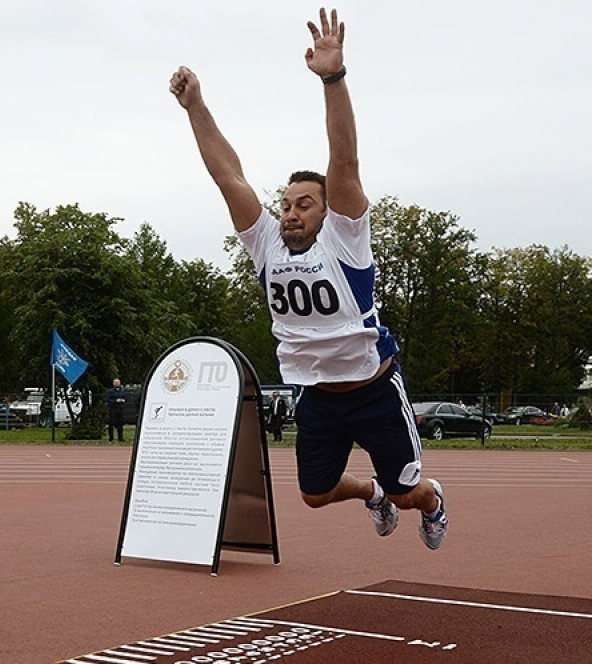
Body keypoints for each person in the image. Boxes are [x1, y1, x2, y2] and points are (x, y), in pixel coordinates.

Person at [169, 7, 448, 550]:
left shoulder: (345, 241)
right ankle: (372, 495)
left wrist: (333, 79)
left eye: (305, 204)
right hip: (319, 397)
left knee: (408, 491)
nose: (292, 212)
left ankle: (431, 499)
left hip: (373, 389)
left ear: (327, 213)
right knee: (314, 494)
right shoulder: (266, 243)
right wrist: (195, 106)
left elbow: (343, 160)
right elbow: (227, 174)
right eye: (286, 204)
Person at [105, 378, 126, 443]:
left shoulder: (122, 391)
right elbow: (108, 400)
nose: (117, 384)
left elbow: (125, 398)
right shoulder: (110, 391)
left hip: (120, 410)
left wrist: (123, 401)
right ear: (113, 383)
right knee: (111, 424)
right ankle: (111, 438)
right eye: (115, 382)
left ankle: (120, 438)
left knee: (120, 424)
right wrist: (115, 401)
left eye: (118, 382)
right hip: (112, 409)